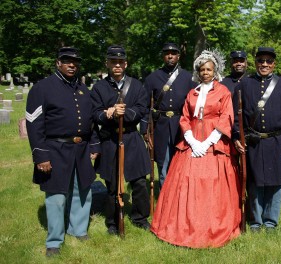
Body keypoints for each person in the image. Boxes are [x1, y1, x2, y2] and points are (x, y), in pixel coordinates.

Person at [150, 50, 241, 248]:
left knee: (211, 182)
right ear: (198, 72)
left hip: (213, 140)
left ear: (215, 70)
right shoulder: (193, 92)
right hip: (192, 140)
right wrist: (191, 139)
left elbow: (226, 117)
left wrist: (207, 143)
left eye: (209, 69)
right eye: (202, 69)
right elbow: (185, 117)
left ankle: (210, 225)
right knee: (184, 181)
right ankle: (182, 225)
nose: (205, 72)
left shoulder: (223, 92)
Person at [25, 47, 100, 257]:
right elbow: (34, 123)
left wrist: (94, 145)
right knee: (56, 195)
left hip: (81, 149)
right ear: (58, 62)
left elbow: (91, 120)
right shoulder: (43, 88)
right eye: (67, 61)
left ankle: (78, 229)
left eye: (75, 62)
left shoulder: (83, 89)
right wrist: (41, 155)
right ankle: (55, 240)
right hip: (55, 149)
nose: (72, 65)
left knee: (82, 190)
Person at [233, 47, 281, 232]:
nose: (264, 64)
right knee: (254, 182)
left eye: (268, 61)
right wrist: (237, 136)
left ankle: (271, 221)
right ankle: (255, 221)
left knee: (276, 182)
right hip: (253, 142)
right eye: (261, 60)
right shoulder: (244, 85)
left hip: (278, 142)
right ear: (255, 63)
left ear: (274, 64)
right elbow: (235, 115)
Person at [91, 45, 151, 234]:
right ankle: (113, 222)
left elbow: (142, 109)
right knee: (112, 183)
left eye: (120, 62)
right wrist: (108, 114)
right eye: (113, 61)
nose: (117, 65)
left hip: (132, 137)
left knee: (140, 182)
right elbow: (94, 113)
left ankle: (140, 217)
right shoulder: (99, 87)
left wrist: (127, 113)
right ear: (107, 63)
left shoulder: (136, 85)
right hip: (110, 139)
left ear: (125, 64)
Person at [141, 43, 196, 190]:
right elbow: (144, 105)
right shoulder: (152, 78)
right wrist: (145, 130)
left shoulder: (189, 77)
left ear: (178, 56)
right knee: (163, 163)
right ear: (163, 56)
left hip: (182, 126)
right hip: (161, 126)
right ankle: (165, 197)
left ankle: (180, 195)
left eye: (173, 53)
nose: (170, 56)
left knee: (182, 162)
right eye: (167, 53)